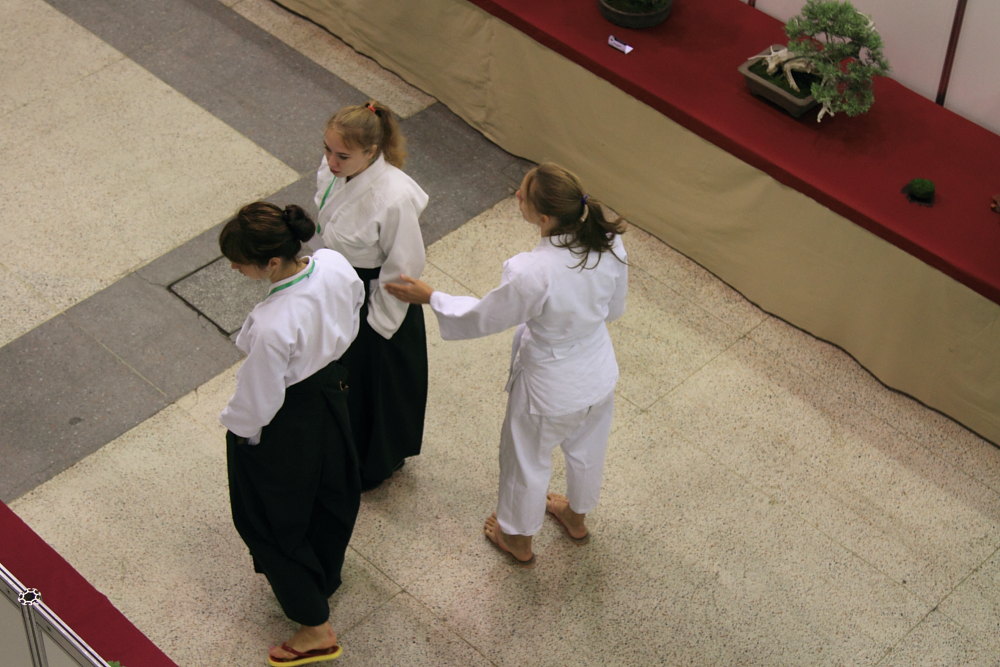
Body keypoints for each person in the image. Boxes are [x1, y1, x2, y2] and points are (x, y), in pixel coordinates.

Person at [387, 162, 628, 566]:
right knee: (588, 448)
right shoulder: (609, 242)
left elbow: (486, 316)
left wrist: (433, 297)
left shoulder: (532, 270)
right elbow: (614, 310)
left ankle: (517, 539)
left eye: (523, 193)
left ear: (545, 217)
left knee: (526, 461)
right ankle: (576, 517)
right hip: (599, 372)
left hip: (549, 387)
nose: (516, 195)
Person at [218, 202, 365, 665]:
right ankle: (323, 575)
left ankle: (314, 626)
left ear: (271, 262)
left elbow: (259, 400)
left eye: (239, 262)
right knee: (330, 493)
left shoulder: (273, 322)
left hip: (289, 416)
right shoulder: (333, 263)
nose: (234, 268)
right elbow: (356, 305)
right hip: (332, 391)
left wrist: (240, 433)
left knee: (267, 517)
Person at [313, 99, 429, 490]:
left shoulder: (393, 198)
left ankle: (370, 462)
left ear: (372, 151)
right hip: (339, 284)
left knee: (371, 385)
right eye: (328, 149)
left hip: (376, 297)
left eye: (342, 155)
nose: (331, 161)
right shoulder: (336, 172)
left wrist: (379, 323)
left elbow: (405, 265)